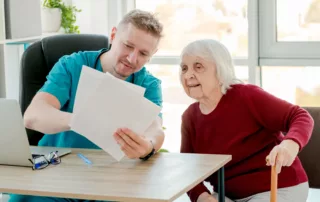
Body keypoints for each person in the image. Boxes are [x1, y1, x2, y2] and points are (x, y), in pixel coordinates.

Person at [9, 9, 165, 202]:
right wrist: (81, 119)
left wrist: (147, 146)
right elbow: (33, 116)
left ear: (153, 54)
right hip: (57, 173)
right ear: (114, 35)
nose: (132, 59)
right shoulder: (72, 65)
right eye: (128, 46)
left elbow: (155, 129)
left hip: (110, 180)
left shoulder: (149, 84)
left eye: (143, 53)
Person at [179, 39, 314, 202]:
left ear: (220, 71)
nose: (187, 75)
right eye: (184, 68)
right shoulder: (189, 118)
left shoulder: (246, 96)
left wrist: (290, 144)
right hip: (227, 195)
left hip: (278, 187)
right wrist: (202, 197)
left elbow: (300, 116)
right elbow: (188, 170)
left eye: (198, 67)